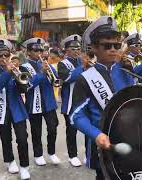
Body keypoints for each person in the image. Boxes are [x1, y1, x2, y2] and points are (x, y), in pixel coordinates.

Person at [69, 16, 135, 180]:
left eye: (116, 45)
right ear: (94, 48)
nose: (113, 49)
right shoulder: (84, 78)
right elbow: (76, 115)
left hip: (129, 138)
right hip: (104, 143)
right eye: (107, 45)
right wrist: (95, 134)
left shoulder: (125, 71)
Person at [0, 39, 30, 179]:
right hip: (1, 110)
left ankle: (24, 166)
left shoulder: (18, 70)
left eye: (6, 54)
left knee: (22, 138)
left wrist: (17, 76)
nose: (3, 58)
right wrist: (8, 73)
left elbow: (25, 88)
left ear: (10, 55)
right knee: (6, 138)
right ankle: (10, 161)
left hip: (17, 109)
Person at [20, 38, 60, 166]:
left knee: (53, 128)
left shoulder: (46, 63)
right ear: (29, 52)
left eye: (41, 50)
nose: (39, 52)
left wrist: (50, 72)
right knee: (36, 131)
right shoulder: (23, 67)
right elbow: (27, 85)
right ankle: (38, 154)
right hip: (33, 104)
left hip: (48, 103)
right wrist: (41, 73)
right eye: (36, 50)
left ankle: (52, 152)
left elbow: (55, 80)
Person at [57, 34, 84, 167]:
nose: (77, 51)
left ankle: (89, 154)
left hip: (84, 102)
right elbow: (67, 78)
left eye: (78, 48)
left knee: (87, 129)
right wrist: (82, 67)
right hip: (70, 103)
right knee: (71, 130)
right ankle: (72, 155)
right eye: (73, 48)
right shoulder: (62, 64)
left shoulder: (82, 61)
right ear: (66, 50)